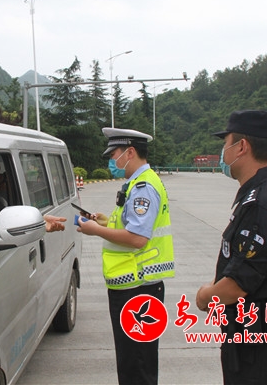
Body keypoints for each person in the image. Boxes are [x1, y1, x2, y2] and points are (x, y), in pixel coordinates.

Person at [196, 110, 267, 384]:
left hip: (258, 347)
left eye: (227, 144)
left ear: (242, 147)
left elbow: (238, 284)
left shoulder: (263, 203)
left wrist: (205, 296)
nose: (224, 152)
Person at [77, 127, 175, 385]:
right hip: (135, 287)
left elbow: (138, 238)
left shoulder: (143, 187)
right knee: (134, 362)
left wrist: (96, 231)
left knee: (136, 366)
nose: (111, 161)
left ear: (130, 153)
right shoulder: (139, 183)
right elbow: (133, 226)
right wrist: (106, 222)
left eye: (114, 155)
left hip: (138, 289)